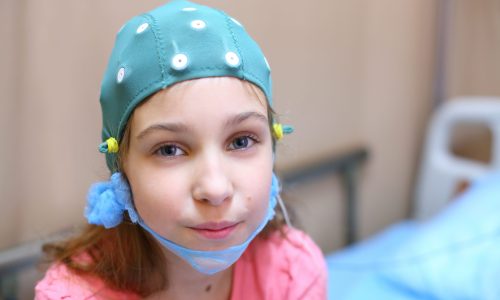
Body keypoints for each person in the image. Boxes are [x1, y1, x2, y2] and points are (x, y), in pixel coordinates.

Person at [35, 1, 327, 299]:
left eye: (241, 141)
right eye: (170, 149)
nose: (215, 189)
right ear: (121, 168)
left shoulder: (293, 274)